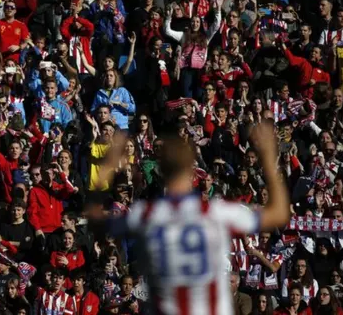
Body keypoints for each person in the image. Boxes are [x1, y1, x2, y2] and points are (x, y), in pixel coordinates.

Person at [88, 122, 290, 315]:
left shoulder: (148, 215)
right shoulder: (215, 213)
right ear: (191, 172)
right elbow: (279, 213)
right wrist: (270, 159)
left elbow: (96, 222)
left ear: (161, 170)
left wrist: (106, 169)